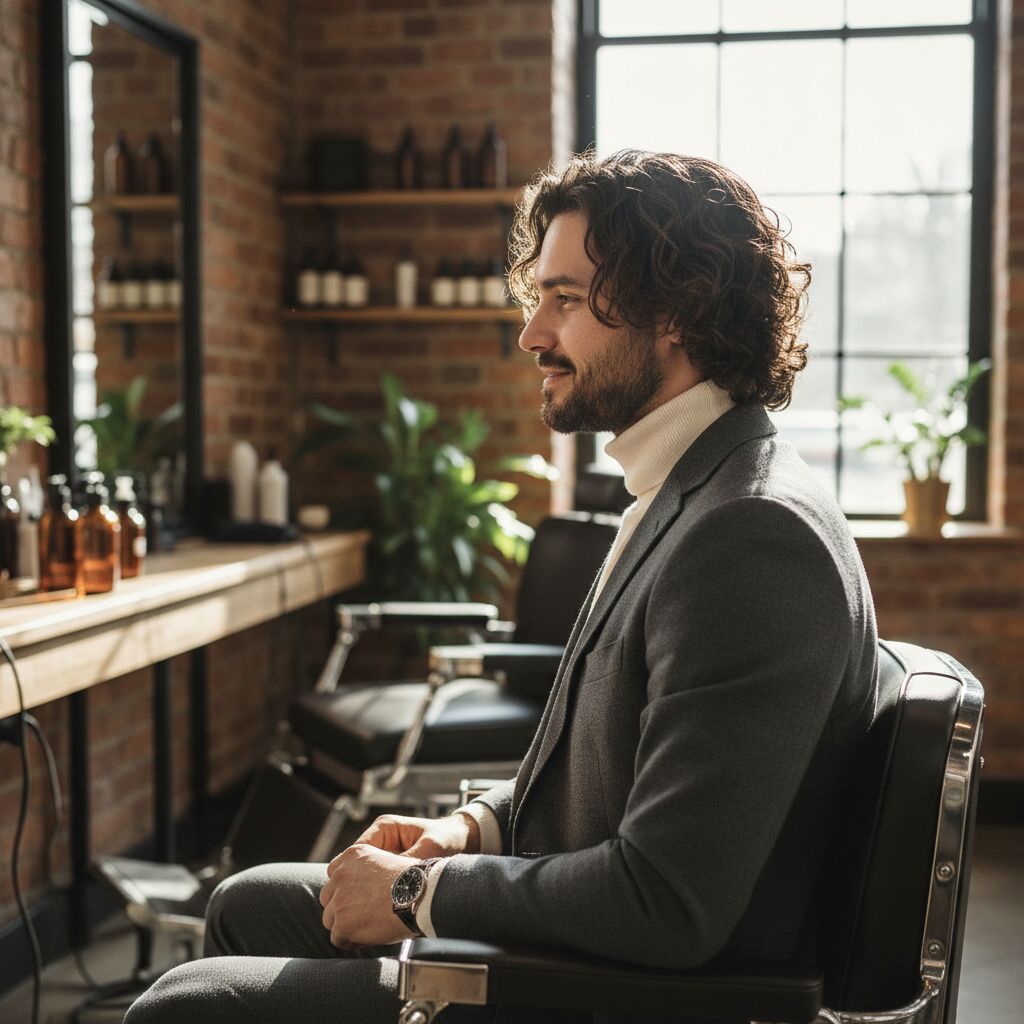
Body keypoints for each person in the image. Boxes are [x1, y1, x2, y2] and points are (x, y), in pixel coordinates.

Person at [126, 150, 878, 1024]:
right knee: (247, 901)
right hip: (597, 944)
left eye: (564, 299)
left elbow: (668, 903)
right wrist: (467, 831)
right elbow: (596, 777)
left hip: (639, 994)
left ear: (675, 310)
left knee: (190, 1002)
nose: (531, 335)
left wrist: (418, 893)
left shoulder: (748, 538)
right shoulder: (690, 489)